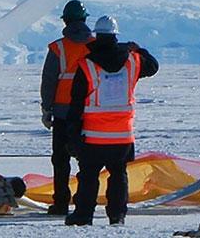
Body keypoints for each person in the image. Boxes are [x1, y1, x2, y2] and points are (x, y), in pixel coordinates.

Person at [64, 15, 158, 226]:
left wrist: (72, 134)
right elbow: (153, 66)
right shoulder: (133, 61)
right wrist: (138, 49)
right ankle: (117, 215)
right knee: (118, 175)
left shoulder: (87, 65)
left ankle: (83, 215)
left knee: (88, 176)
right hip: (122, 135)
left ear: (97, 36)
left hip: (93, 135)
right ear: (116, 36)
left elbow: (76, 102)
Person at [39, 0, 94, 215]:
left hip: (62, 113)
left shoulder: (58, 48)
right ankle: (83, 200)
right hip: (88, 112)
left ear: (66, 20)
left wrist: (46, 109)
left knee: (60, 160)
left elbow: (49, 81)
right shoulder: (95, 45)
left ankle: (61, 202)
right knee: (86, 160)